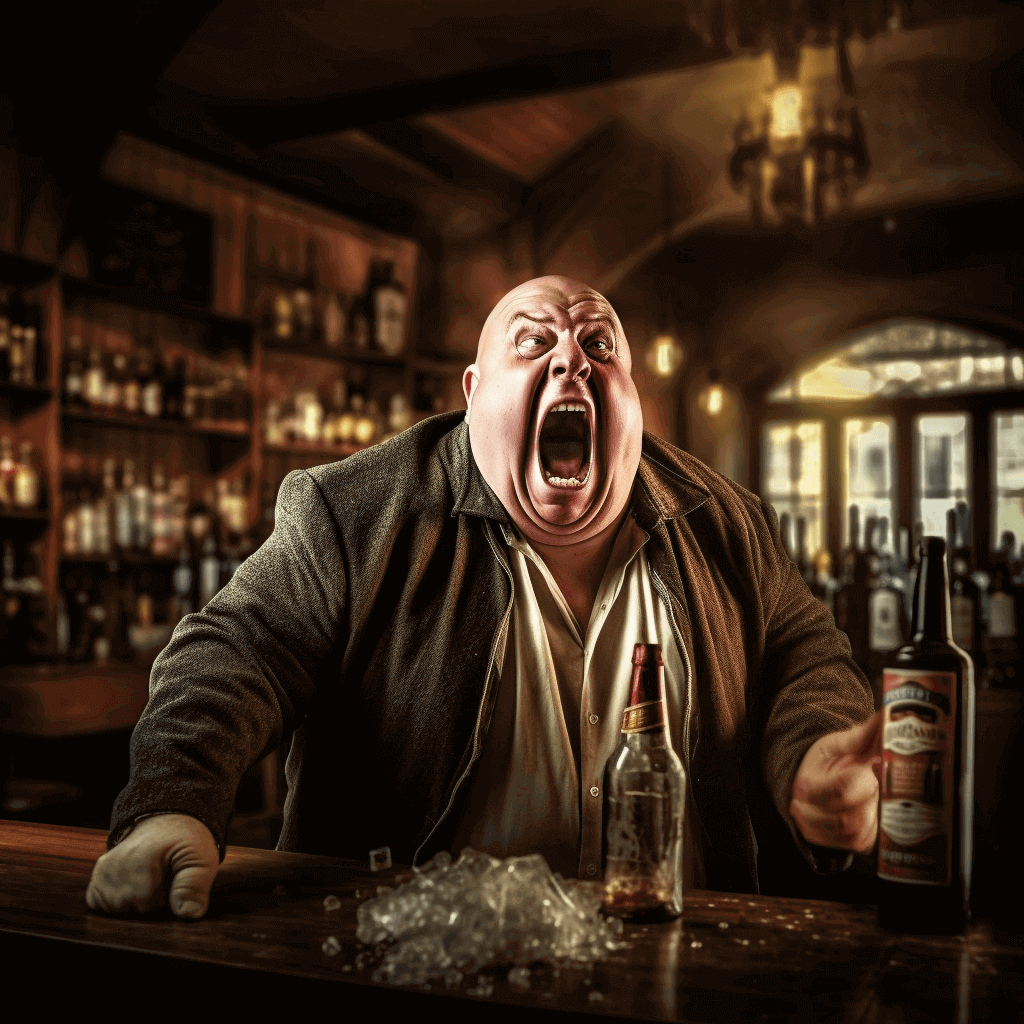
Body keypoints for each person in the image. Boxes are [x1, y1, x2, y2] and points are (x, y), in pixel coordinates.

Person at [86, 276, 879, 920]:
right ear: (473, 392)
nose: (571, 359)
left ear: (635, 399)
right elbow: (235, 650)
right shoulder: (355, 512)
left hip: (679, 966)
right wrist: (172, 804)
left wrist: (813, 753)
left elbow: (805, 653)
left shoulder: (728, 521)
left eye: (599, 345)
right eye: (532, 341)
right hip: (418, 972)